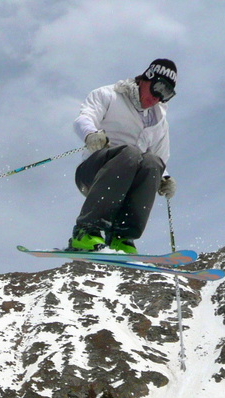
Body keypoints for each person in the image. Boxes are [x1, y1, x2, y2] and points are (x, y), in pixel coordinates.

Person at [68, 59, 178, 253]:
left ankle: (122, 237)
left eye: (166, 94)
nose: (158, 97)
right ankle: (85, 231)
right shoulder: (109, 95)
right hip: (94, 174)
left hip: (127, 186)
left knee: (152, 163)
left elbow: (159, 159)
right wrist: (90, 134)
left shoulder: (159, 121)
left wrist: (165, 178)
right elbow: (83, 118)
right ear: (147, 77)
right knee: (131, 153)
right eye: (158, 88)